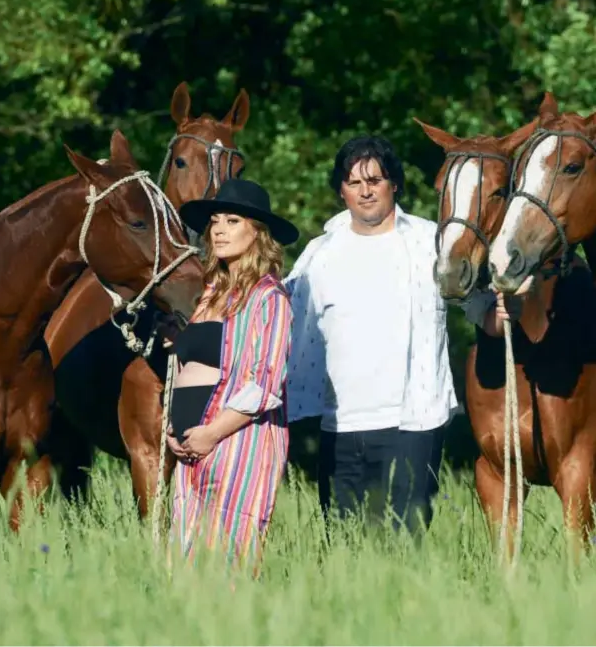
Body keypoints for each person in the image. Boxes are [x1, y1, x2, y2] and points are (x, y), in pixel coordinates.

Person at [284, 134, 460, 537]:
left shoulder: (430, 243)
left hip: (413, 422)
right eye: (353, 182)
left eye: (374, 180)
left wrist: (507, 309)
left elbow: (481, 306)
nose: (365, 191)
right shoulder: (320, 253)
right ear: (342, 190)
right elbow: (278, 317)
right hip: (340, 424)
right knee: (344, 547)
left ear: (393, 183)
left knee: (405, 543)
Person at [164, 177, 299, 573]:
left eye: (233, 221)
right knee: (183, 569)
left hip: (237, 444)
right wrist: (176, 428)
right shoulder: (210, 295)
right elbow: (191, 367)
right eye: (216, 221)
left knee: (228, 566)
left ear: (257, 233)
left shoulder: (269, 299)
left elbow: (265, 383)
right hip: (189, 452)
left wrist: (211, 433)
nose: (219, 229)